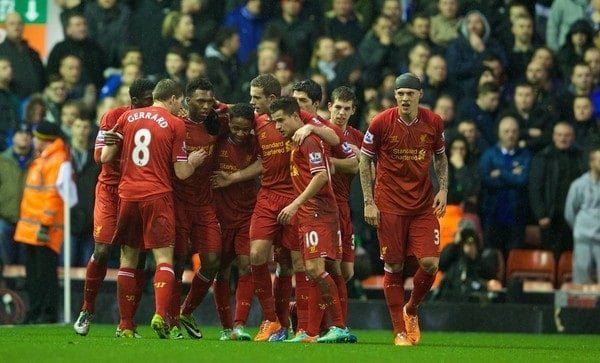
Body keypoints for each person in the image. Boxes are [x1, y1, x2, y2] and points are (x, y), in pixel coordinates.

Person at [212, 74, 339, 342]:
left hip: (294, 197)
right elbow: (239, 117)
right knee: (256, 254)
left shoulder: (301, 120)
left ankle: (304, 326)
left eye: (256, 96)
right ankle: (271, 320)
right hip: (268, 196)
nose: (252, 101)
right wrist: (220, 106)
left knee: (295, 263)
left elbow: (334, 138)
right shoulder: (257, 122)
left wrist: (312, 128)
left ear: (271, 99)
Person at [100, 79, 205, 339]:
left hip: (127, 196)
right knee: (163, 259)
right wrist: (193, 161)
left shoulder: (127, 117)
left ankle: (125, 325)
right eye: (180, 101)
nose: (181, 107)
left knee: (128, 259)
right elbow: (181, 173)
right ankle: (159, 313)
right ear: (172, 99)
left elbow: (105, 157)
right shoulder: (175, 123)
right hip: (157, 196)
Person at [358, 73, 448, 346]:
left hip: (422, 205)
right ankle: (399, 331)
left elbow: (441, 157)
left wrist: (443, 189)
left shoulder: (433, 122)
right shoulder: (381, 122)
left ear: (420, 94)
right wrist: (368, 202)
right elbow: (364, 161)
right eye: (401, 93)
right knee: (394, 265)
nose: (405, 98)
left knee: (431, 263)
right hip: (389, 205)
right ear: (395, 96)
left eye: (410, 93)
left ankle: (411, 309)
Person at [73, 79, 155, 337]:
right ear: (136, 101)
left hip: (137, 191)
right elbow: (99, 158)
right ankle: (87, 308)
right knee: (103, 248)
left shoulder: (158, 120)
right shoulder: (113, 116)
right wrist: (116, 140)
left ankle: (127, 323)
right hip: (110, 191)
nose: (153, 104)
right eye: (149, 99)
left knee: (135, 256)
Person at [270, 96, 349, 343]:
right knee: (315, 271)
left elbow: (322, 176)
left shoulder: (309, 140)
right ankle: (312, 332)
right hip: (309, 213)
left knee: (316, 269)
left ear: (296, 116)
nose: (278, 126)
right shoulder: (298, 141)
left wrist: (294, 204)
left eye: (281, 120)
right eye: (274, 122)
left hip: (318, 211)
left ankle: (338, 326)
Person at [173, 78, 229, 340]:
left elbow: (245, 113)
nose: (206, 106)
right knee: (175, 262)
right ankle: (170, 318)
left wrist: (219, 105)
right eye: (200, 101)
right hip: (178, 203)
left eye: (210, 101)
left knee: (212, 261)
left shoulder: (215, 125)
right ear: (187, 101)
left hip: (205, 204)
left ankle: (186, 310)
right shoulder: (176, 125)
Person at [14, 121, 78, 324]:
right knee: (34, 274)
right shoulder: (46, 158)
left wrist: (45, 222)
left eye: (36, 136)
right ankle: (36, 311)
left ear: (43, 139)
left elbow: (53, 194)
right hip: (30, 226)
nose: (33, 139)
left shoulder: (56, 160)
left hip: (43, 227)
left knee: (45, 274)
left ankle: (46, 313)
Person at [210, 103, 259, 341]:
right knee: (221, 269)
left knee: (246, 265)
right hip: (218, 214)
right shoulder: (217, 137)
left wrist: (233, 178)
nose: (240, 133)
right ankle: (225, 327)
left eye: (245, 129)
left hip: (247, 212)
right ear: (229, 123)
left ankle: (240, 325)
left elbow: (263, 164)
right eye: (236, 128)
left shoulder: (255, 140)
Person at [529, 122, 587, 261]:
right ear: (554, 137)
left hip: (575, 219)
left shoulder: (580, 157)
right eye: (559, 135)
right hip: (551, 218)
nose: (563, 138)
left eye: (567, 135)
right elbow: (535, 188)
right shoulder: (543, 157)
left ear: (573, 137)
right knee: (551, 258)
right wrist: (541, 214)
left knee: (573, 258)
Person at [479, 116, 532, 259]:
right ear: (499, 133)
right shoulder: (489, 154)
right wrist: (511, 174)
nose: (511, 135)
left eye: (514, 131)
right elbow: (486, 180)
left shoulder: (525, 155)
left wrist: (501, 172)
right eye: (507, 131)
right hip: (492, 215)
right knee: (491, 258)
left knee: (515, 258)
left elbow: (522, 180)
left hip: (516, 217)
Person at [61, 116, 99, 267]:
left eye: (85, 127)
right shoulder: (63, 155)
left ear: (90, 130)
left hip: (90, 221)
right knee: (65, 267)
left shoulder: (95, 157)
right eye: (78, 127)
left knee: (88, 269)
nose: (81, 131)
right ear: (71, 128)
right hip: (67, 219)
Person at [0, 124, 33, 277]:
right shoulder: (2, 161)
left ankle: (22, 295)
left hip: (28, 220)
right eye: (20, 133)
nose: (24, 136)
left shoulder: (37, 162)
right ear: (12, 137)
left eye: (27, 133)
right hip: (5, 218)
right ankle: (6, 290)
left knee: (26, 263)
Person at [564, 146, 600, 284]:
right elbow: (569, 212)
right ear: (591, 163)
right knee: (581, 279)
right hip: (583, 238)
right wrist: (579, 228)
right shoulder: (578, 185)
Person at [0, 12, 46, 101]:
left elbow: (42, 77)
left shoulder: (33, 53)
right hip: (10, 103)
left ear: (24, 26)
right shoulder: (0, 51)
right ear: (5, 27)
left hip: (35, 104)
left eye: (19, 23)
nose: (16, 27)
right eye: (12, 24)